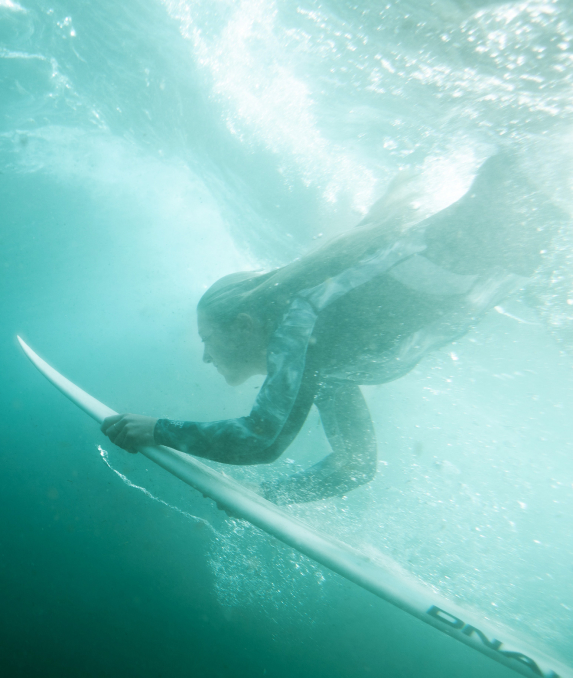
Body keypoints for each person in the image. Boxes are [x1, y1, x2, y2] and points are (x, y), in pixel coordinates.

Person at [101, 152, 564, 503]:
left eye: (208, 339)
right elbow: (357, 465)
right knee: (548, 182)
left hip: (463, 246)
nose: (204, 355)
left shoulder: (299, 327)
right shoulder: (327, 370)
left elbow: (260, 440)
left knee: (539, 170)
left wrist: (158, 430)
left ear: (244, 325)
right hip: (495, 263)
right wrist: (276, 499)